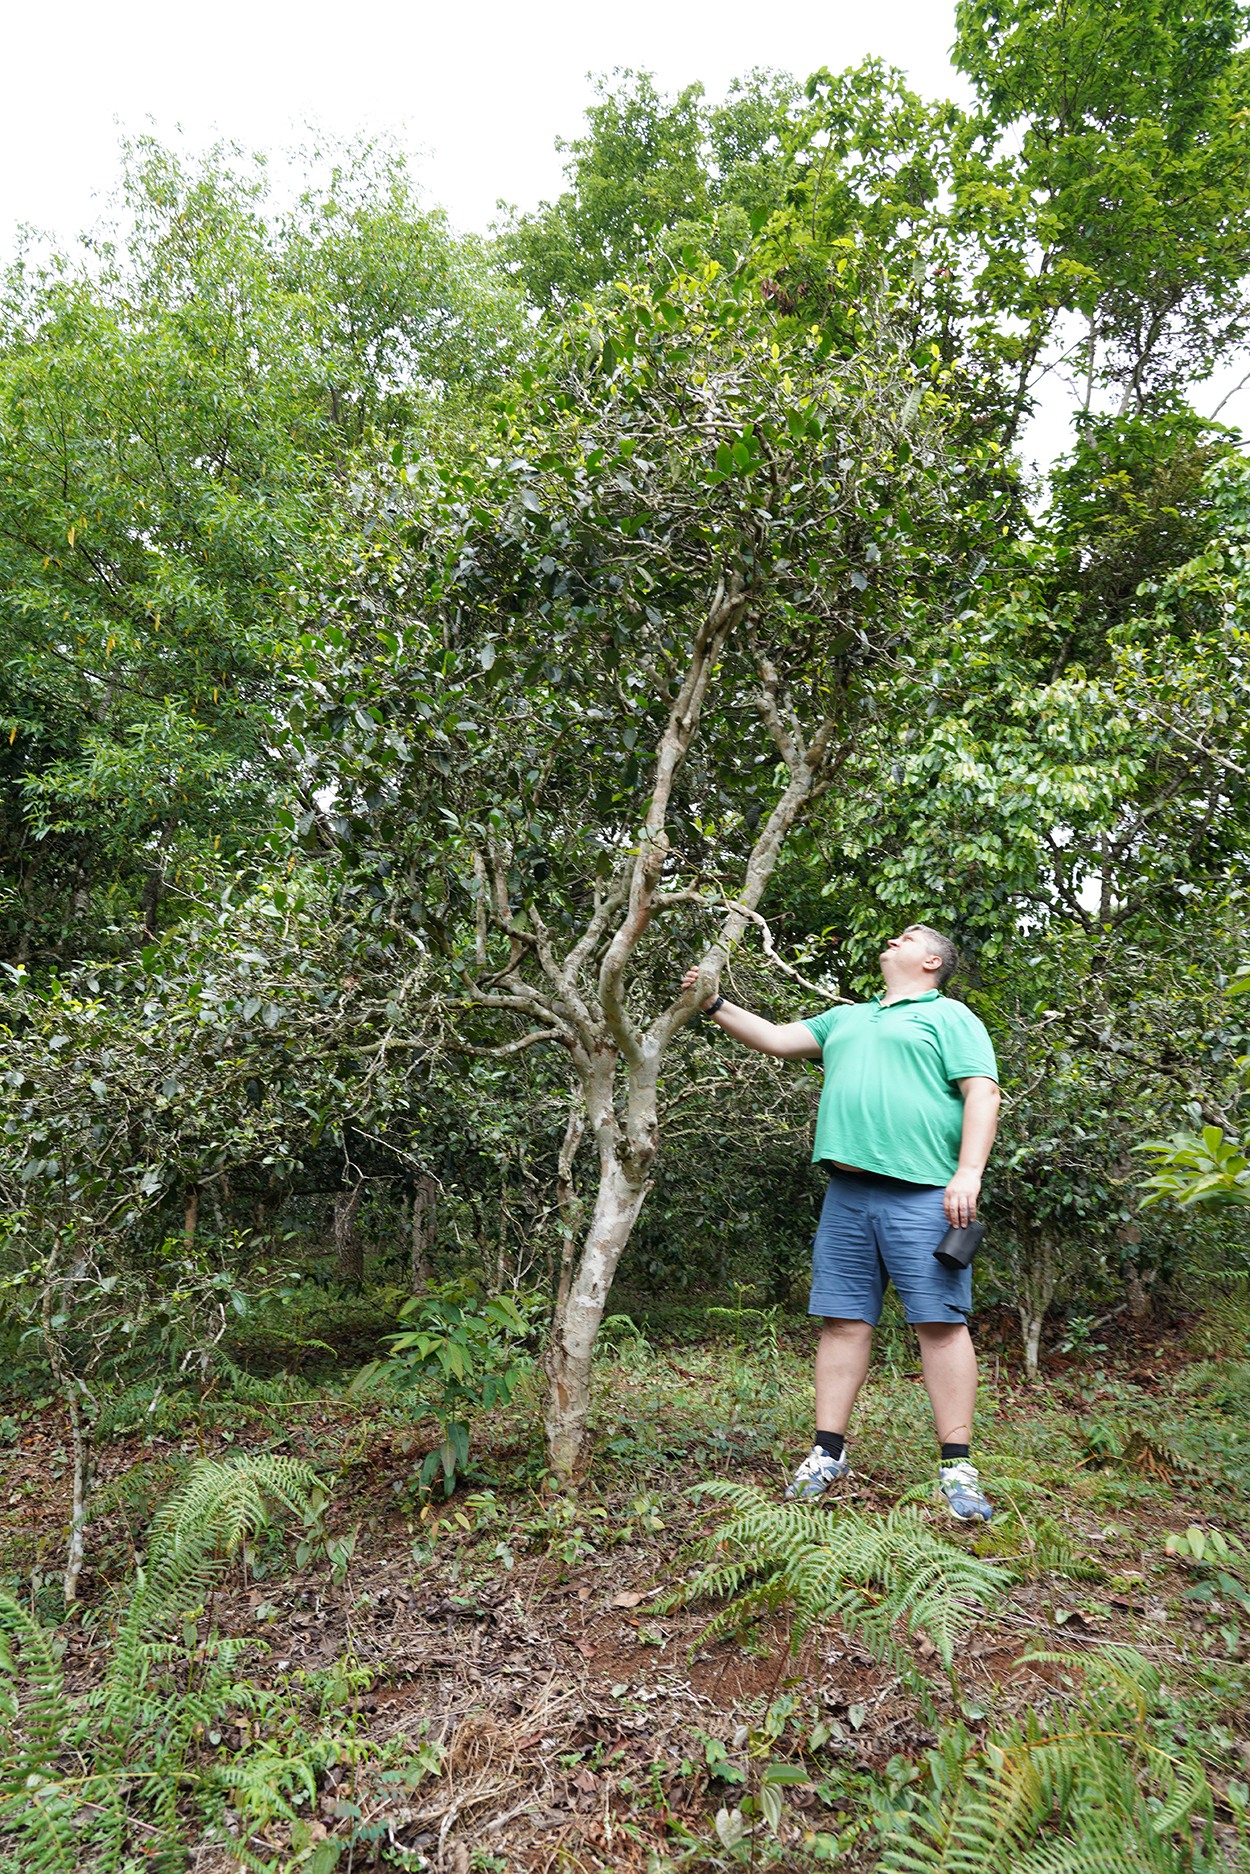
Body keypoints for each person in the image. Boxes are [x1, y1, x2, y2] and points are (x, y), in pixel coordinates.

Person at [682, 925, 1000, 1520]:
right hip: (848, 1194)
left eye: (908, 938)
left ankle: (957, 1467)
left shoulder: (950, 1016)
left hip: (926, 1194)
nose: (894, 940)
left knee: (939, 1324)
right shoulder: (847, 1018)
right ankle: (828, 1453)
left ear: (933, 962)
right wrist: (713, 1003)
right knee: (844, 1322)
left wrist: (968, 1173)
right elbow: (777, 1039)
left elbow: (982, 1093)